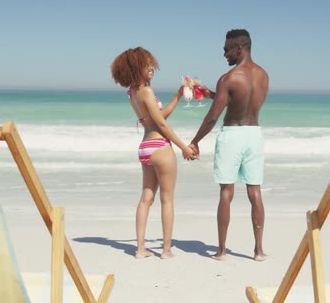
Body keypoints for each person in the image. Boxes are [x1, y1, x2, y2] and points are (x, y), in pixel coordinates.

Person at [188, 29, 269, 261]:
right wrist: (212, 94)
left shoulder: (228, 78)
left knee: (226, 191)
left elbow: (213, 117)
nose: (223, 54)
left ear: (239, 48)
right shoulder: (264, 76)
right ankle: (259, 251)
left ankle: (222, 251)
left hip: (232, 134)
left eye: (226, 49)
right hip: (254, 134)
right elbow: (240, 101)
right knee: (255, 191)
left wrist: (194, 141)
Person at [111, 47, 197, 259]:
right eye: (147, 64)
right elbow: (161, 124)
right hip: (160, 147)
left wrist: (178, 96)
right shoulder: (146, 92)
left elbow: (157, 117)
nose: (151, 68)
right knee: (167, 199)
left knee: (146, 198)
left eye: (151, 64)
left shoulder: (132, 93)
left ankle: (140, 249)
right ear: (136, 67)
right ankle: (166, 250)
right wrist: (183, 147)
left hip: (145, 148)